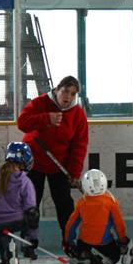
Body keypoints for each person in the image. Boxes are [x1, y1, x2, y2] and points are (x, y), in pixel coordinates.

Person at [17, 76, 88, 241]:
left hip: (59, 166)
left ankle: (69, 240)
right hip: (33, 163)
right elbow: (22, 123)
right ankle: (29, 241)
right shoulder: (40, 103)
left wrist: (74, 172)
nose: (68, 97)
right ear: (57, 90)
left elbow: (80, 145)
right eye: (65, 91)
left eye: (72, 94)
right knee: (31, 204)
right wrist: (46, 118)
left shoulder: (77, 114)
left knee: (65, 205)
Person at [0, 142, 39, 264]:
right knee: (30, 220)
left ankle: (7, 255)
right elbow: (31, 210)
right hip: (19, 221)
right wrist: (34, 237)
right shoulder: (25, 181)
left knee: (2, 241)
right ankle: (27, 247)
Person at [64, 169, 132, 264]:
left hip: (84, 243)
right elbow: (119, 224)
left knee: (79, 248)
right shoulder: (110, 202)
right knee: (115, 256)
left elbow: (71, 224)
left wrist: (68, 241)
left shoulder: (81, 202)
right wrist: (122, 240)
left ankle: (84, 256)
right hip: (104, 244)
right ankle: (98, 258)